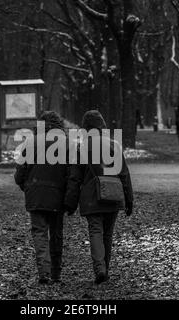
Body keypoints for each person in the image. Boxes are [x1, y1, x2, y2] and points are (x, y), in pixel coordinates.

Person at [64, 110, 134, 285]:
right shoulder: (114, 145)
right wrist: (129, 199)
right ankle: (106, 269)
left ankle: (99, 269)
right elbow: (124, 174)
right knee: (108, 234)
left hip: (92, 197)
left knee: (95, 231)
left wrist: (70, 203)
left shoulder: (81, 148)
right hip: (113, 194)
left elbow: (75, 179)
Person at [14, 111, 73, 285]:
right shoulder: (67, 144)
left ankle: (44, 272)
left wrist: (26, 186)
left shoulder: (30, 143)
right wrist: (70, 198)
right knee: (56, 233)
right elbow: (72, 174)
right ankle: (56, 273)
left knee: (39, 233)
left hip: (36, 195)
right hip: (58, 196)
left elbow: (20, 174)